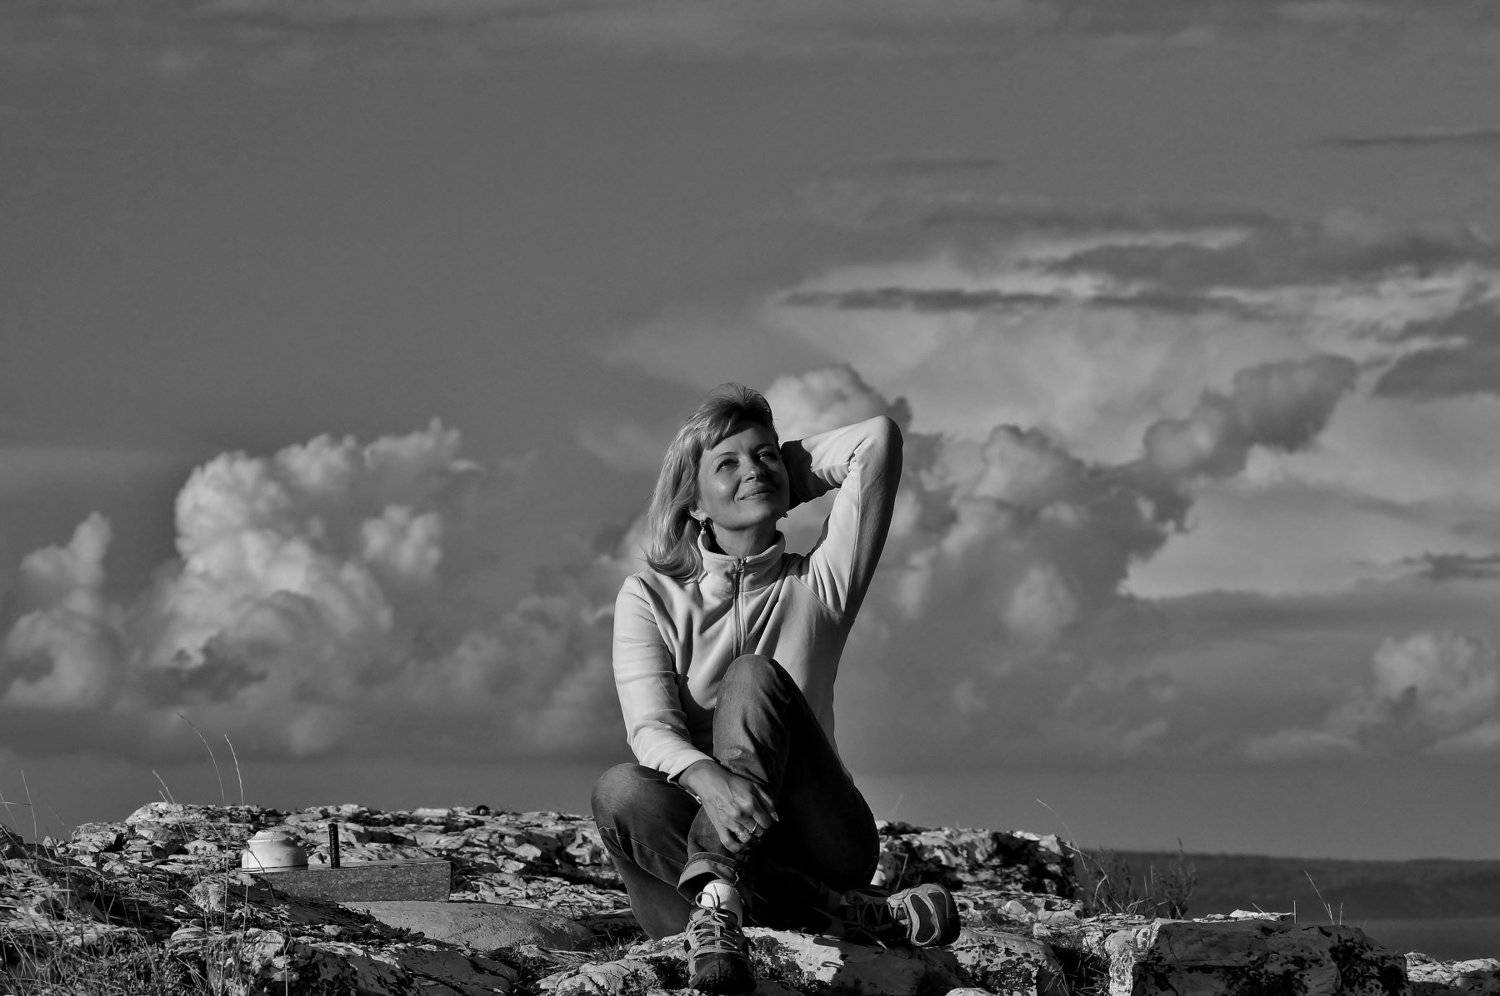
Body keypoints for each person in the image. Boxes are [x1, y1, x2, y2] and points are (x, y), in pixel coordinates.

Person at [591, 384, 960, 994]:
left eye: (765, 455)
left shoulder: (819, 584)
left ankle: (721, 894)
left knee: (752, 674)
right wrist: (709, 782)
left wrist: (777, 478)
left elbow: (876, 441)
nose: (753, 469)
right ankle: (824, 911)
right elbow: (650, 729)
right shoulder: (649, 596)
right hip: (694, 855)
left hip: (820, 838)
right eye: (728, 463)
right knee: (619, 790)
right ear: (692, 500)